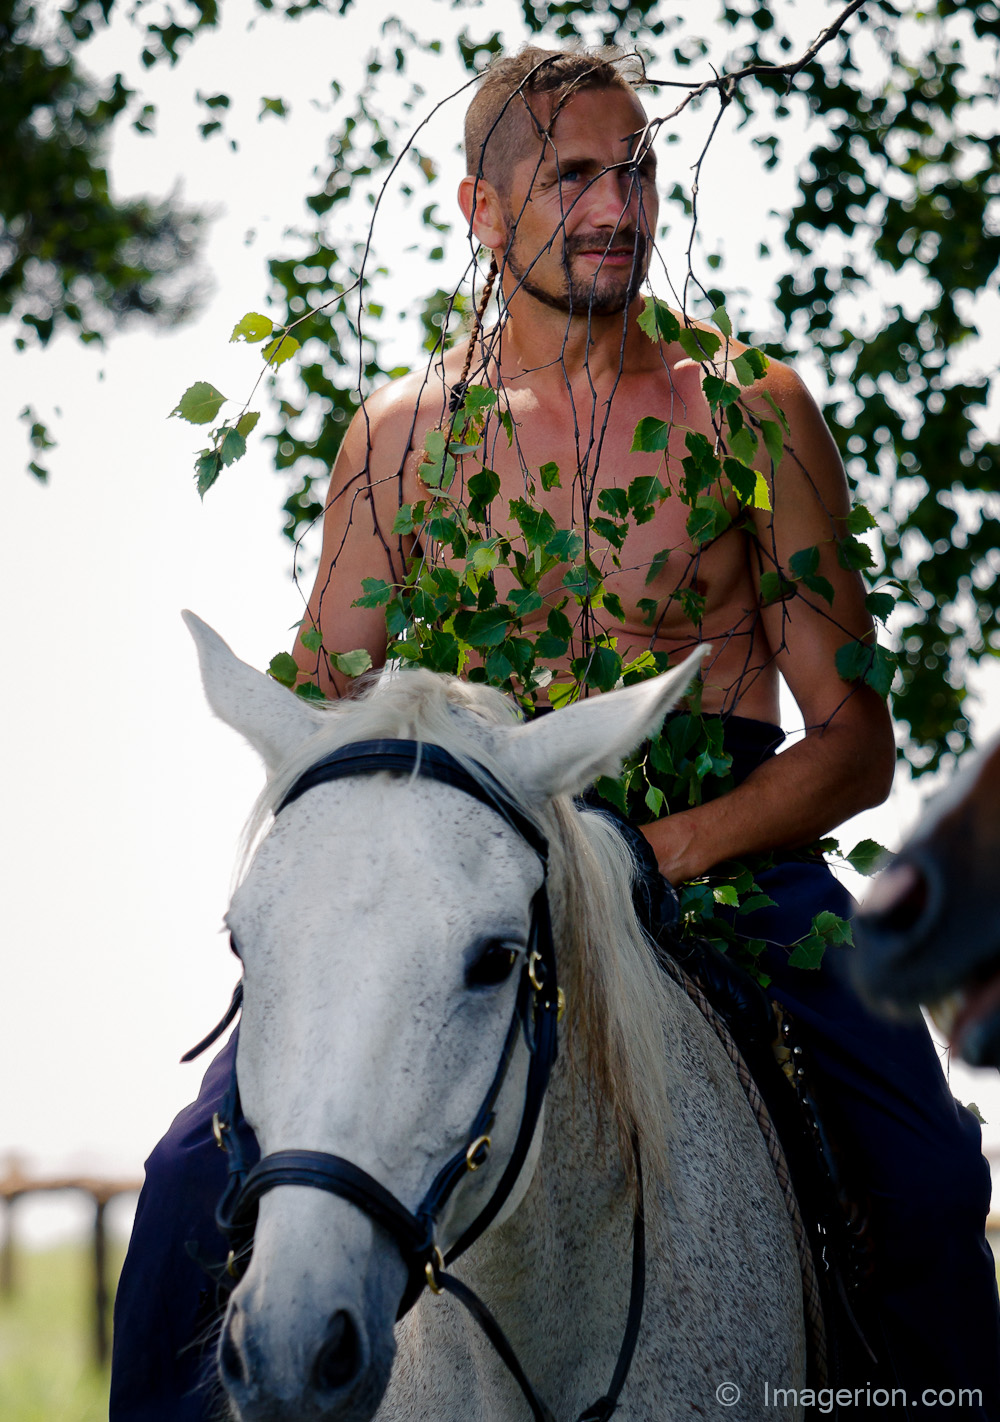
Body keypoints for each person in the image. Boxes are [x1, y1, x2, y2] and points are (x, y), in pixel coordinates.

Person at [111, 46, 1000, 1420]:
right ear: (480, 209)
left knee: (928, 1180)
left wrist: (648, 856)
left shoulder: (751, 412)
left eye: (635, 171)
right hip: (467, 881)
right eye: (572, 176)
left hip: (724, 873)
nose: (616, 207)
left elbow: (852, 744)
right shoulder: (398, 438)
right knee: (184, 1186)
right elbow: (328, 739)